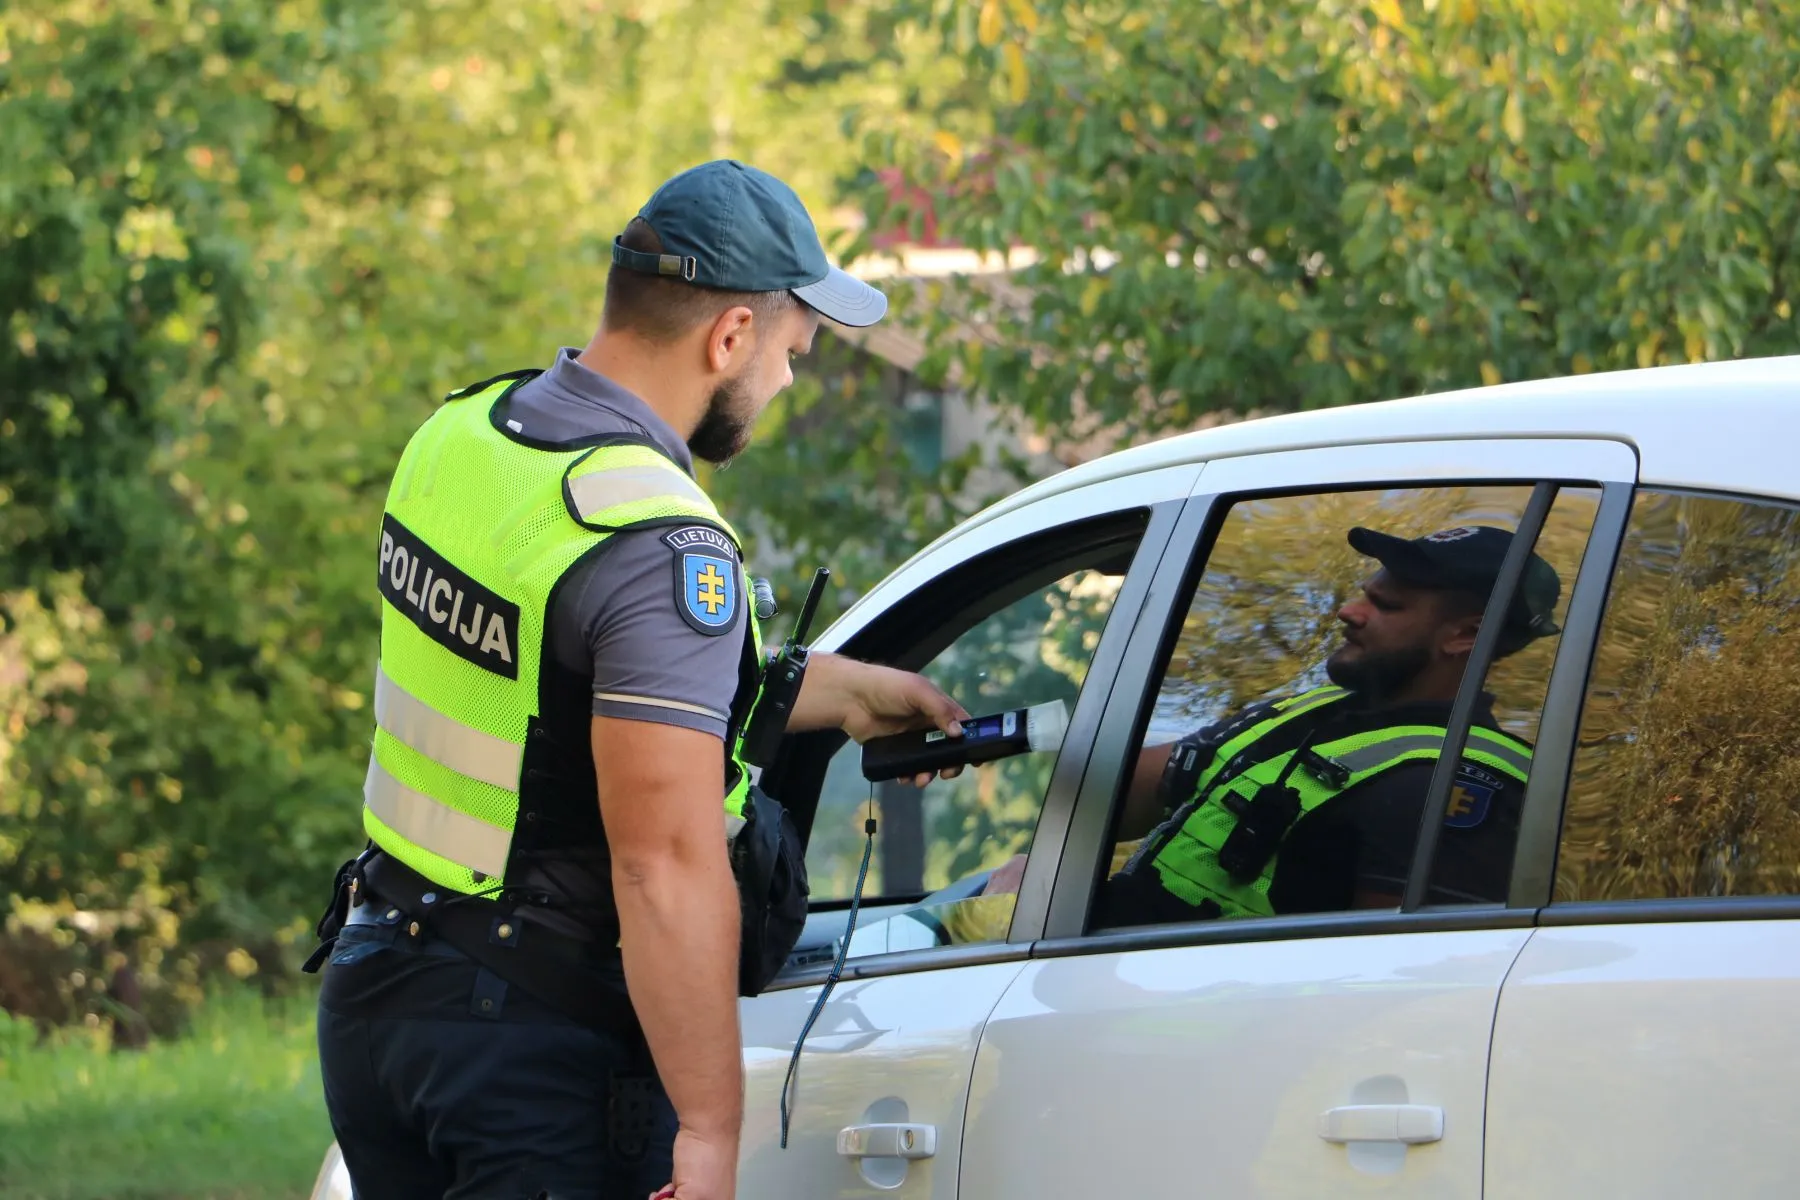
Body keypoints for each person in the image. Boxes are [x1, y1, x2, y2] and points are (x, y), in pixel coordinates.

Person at [304, 160, 968, 1200]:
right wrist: (707, 1128)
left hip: (380, 994)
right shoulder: (657, 542)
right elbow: (663, 864)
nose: (787, 384)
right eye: (793, 353)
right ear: (731, 336)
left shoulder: (464, 435)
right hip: (535, 1048)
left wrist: (843, 694)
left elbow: (544, 684)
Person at [985, 523, 1561, 925]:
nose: (1349, 611)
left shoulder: (1457, 784)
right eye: (1366, 594)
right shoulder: (1315, 711)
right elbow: (1131, 795)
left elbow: (1389, 983)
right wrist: (1020, 738)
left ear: (1465, 636)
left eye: (1386, 607)